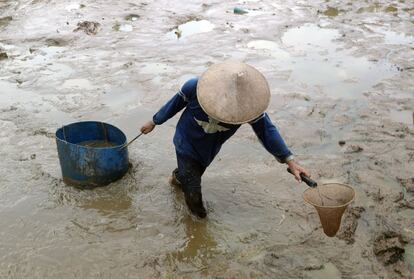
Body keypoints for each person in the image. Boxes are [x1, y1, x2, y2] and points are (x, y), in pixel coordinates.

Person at [140, 62, 310, 218]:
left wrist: (289, 161)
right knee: (194, 196)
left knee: (193, 173)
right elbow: (173, 105)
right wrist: (154, 121)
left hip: (209, 149)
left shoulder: (248, 106)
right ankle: (198, 223)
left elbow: (267, 131)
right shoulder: (195, 87)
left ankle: (177, 179)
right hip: (186, 143)